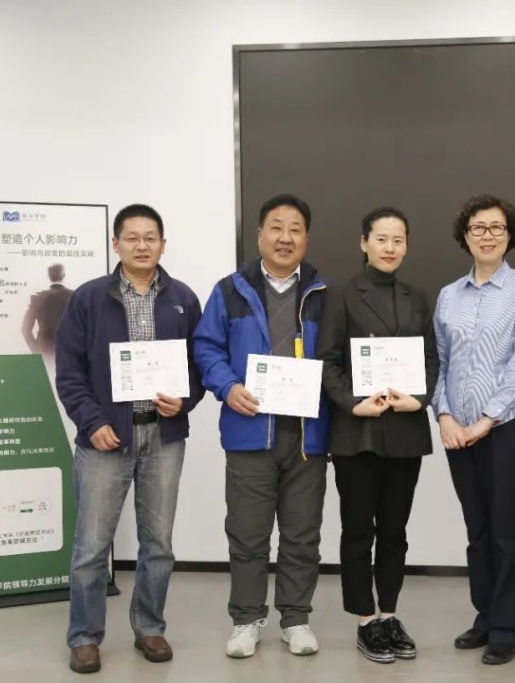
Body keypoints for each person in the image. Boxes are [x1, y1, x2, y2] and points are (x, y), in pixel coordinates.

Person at [55, 204, 205, 674]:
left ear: (163, 244)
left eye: (151, 237)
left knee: (158, 543)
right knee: (92, 546)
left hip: (164, 437)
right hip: (105, 437)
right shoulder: (89, 298)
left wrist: (185, 399)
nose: (142, 245)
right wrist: (91, 421)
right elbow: (69, 371)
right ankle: (85, 636)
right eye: (132, 237)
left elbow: (199, 365)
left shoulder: (183, 298)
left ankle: (150, 627)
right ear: (115, 243)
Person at [192, 193, 330, 659]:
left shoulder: (324, 293)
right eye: (276, 227)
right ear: (259, 235)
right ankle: (246, 619)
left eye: (295, 229)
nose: (285, 237)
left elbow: (336, 359)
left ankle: (295, 619)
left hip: (308, 435)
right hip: (250, 430)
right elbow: (206, 347)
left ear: (306, 239)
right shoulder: (229, 290)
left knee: (302, 534)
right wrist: (228, 386)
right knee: (248, 534)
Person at [317, 207, 440, 664]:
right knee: (357, 531)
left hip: (404, 430)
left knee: (394, 531)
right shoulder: (342, 295)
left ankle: (389, 614)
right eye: (382, 238)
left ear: (406, 245)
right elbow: (327, 361)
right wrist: (353, 402)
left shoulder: (417, 297)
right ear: (364, 242)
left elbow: (431, 360)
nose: (390, 247)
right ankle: (365, 619)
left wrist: (419, 399)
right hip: (357, 432)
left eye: (398, 239)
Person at [433, 194, 515, 665]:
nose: (487, 235)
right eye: (478, 227)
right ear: (465, 235)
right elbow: (441, 364)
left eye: (496, 227)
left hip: (507, 428)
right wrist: (443, 415)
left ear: (509, 234)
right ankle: (486, 615)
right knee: (477, 529)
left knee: (507, 530)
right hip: (458, 433)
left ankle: (508, 626)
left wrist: (486, 419)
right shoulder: (448, 295)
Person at [22, 263, 74, 357]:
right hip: (69, 351)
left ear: (48, 276)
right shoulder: (74, 297)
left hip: (45, 350)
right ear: (63, 275)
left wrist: (35, 350)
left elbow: (25, 328)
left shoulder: (38, 298)